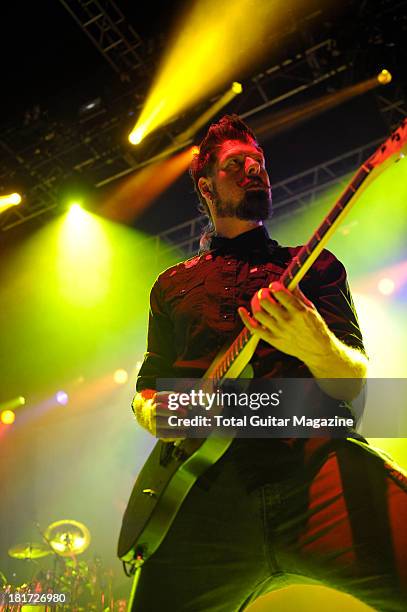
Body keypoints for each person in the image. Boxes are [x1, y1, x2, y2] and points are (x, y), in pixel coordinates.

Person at [129, 115, 407, 611]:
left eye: (259, 163)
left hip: (316, 470)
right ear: (207, 186)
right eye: (238, 164)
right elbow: (146, 390)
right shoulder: (171, 286)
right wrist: (159, 413)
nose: (255, 170)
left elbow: (356, 389)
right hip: (205, 497)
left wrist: (317, 344)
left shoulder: (313, 265)